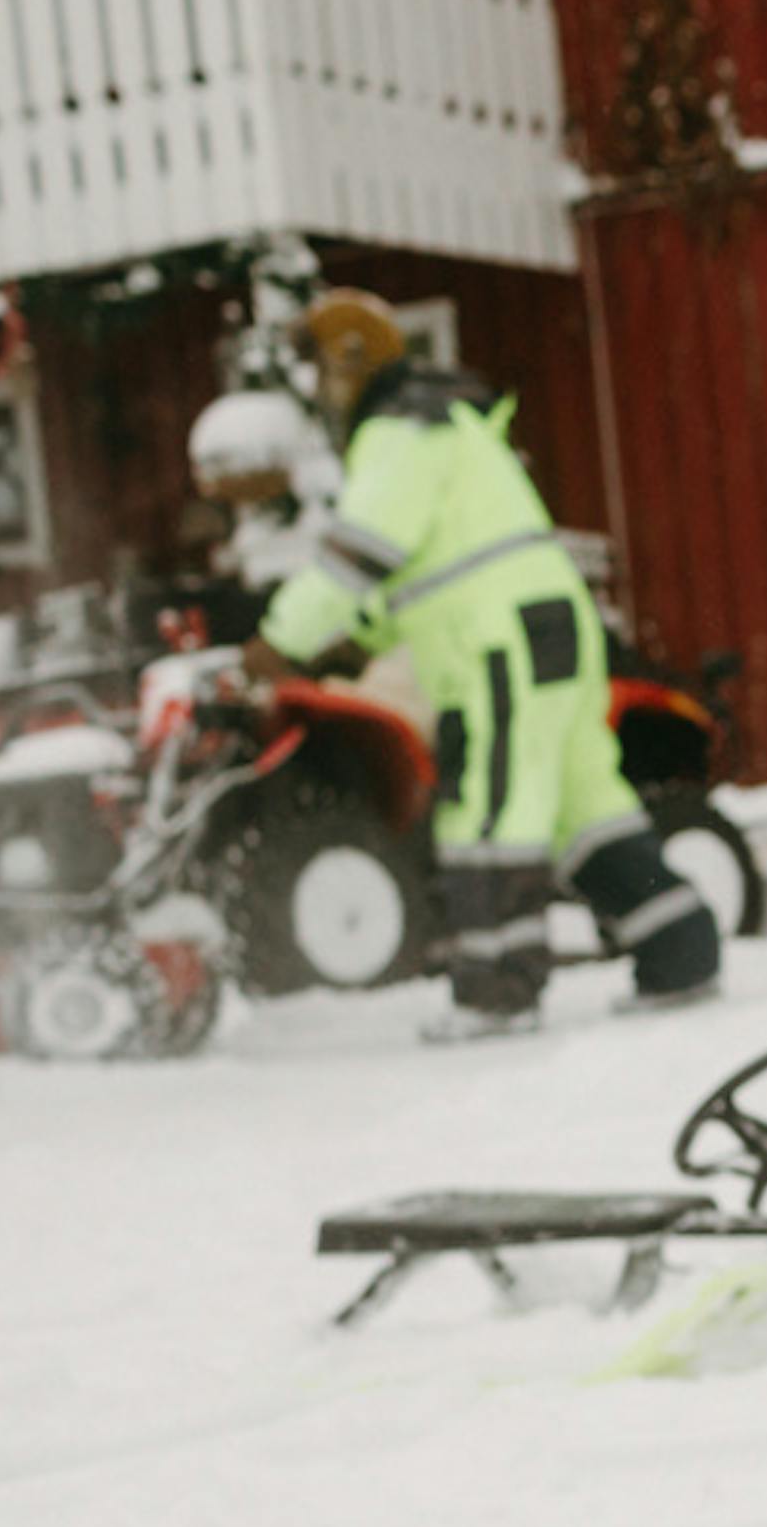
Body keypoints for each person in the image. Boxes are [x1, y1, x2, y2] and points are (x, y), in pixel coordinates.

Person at [246, 291, 719, 1040]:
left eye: (315, 369)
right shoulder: (450, 425)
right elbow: (430, 559)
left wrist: (281, 640)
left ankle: (497, 993)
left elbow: (364, 550)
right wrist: (361, 633)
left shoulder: (399, 433)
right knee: (585, 804)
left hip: (496, 641)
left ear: (348, 364)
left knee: (490, 815)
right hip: (550, 623)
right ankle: (680, 950)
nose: (313, 392)